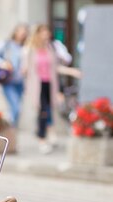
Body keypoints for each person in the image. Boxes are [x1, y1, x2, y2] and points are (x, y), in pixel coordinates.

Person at [22, 24, 67, 154]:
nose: (46, 34)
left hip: (50, 84)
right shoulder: (30, 49)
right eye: (43, 31)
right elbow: (25, 69)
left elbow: (57, 66)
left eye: (47, 31)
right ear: (37, 33)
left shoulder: (51, 47)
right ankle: (42, 139)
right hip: (37, 85)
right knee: (43, 111)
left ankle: (48, 133)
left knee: (48, 109)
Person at [0, 23, 29, 127]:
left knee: (17, 109)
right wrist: (2, 63)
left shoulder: (26, 47)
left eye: (25, 32)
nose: (22, 34)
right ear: (15, 32)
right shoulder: (6, 44)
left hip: (20, 82)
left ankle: (11, 131)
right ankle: (9, 128)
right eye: (21, 31)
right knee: (15, 107)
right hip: (8, 81)